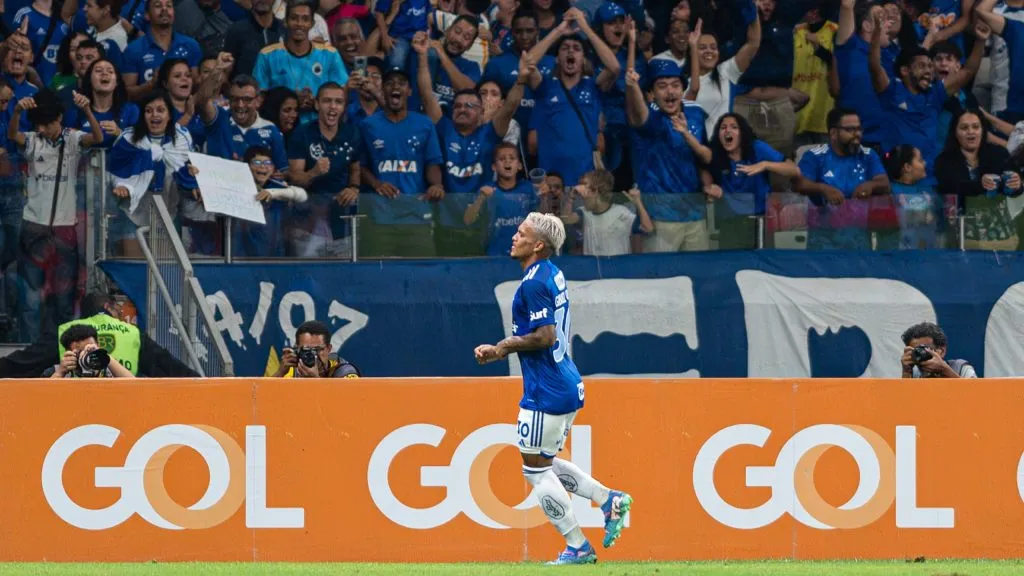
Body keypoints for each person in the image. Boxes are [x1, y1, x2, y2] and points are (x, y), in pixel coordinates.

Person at [473, 212, 631, 565]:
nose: (514, 236)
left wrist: (501, 348)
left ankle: (577, 545)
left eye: (522, 233)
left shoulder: (533, 283)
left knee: (535, 470)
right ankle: (609, 499)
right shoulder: (551, 273)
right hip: (563, 381)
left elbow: (545, 336)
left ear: (538, 245)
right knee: (542, 462)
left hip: (547, 387)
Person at [0, 291, 199, 377]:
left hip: (77, 408)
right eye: (118, 311)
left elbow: (21, 364)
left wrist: (60, 372)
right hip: (123, 406)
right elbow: (170, 368)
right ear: (108, 306)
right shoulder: (133, 333)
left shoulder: (67, 332)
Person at [270, 320, 360, 378]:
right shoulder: (291, 370)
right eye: (307, 350)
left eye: (318, 349)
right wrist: (280, 373)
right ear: (297, 349)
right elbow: (263, 400)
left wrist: (315, 379)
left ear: (329, 349)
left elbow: (348, 405)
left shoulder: (344, 372)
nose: (314, 355)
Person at [47, 323, 134, 378]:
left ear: (98, 345)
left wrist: (106, 358)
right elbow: (44, 398)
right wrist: (60, 373)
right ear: (68, 352)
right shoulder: (57, 371)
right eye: (79, 352)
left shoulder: (110, 369)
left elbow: (135, 388)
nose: (85, 355)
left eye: (89, 351)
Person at [901, 321, 977, 378]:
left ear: (941, 351)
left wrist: (945, 370)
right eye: (916, 351)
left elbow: (975, 396)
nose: (920, 353)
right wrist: (906, 372)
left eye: (925, 349)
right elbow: (904, 398)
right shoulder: (914, 374)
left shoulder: (961, 368)